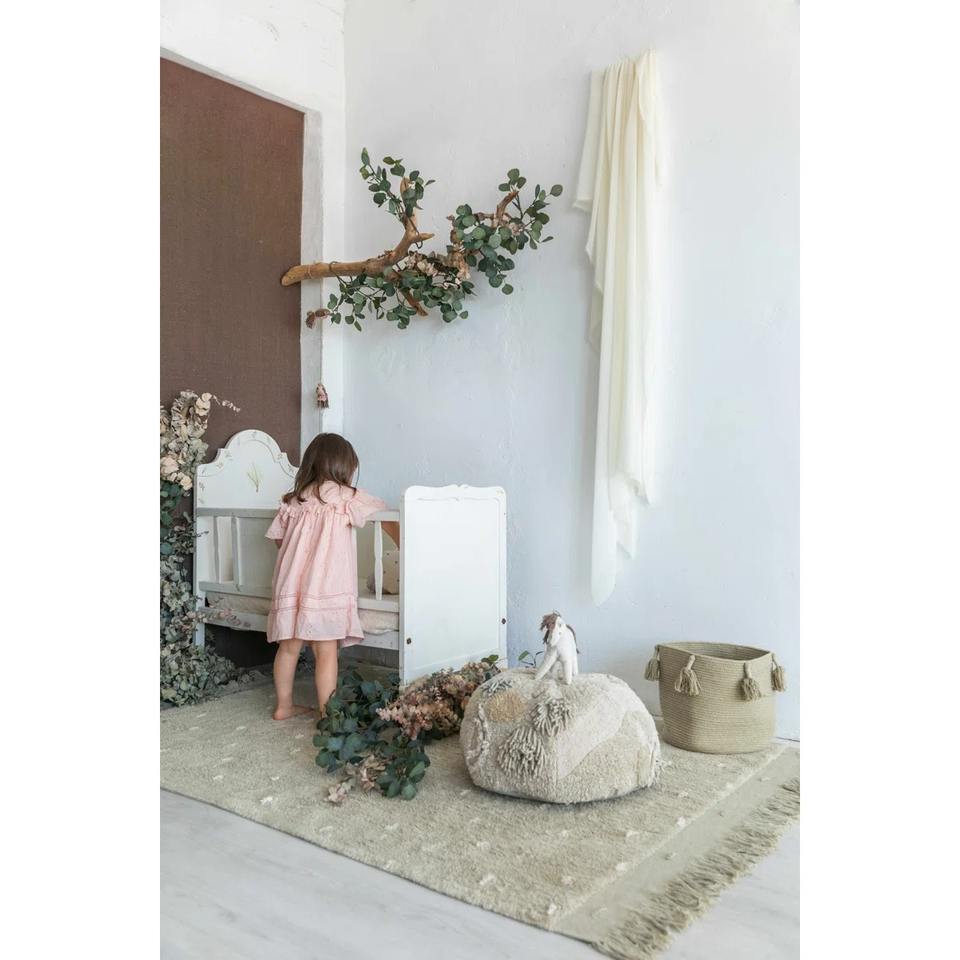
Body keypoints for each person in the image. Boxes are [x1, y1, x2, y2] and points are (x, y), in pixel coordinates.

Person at [265, 433, 398, 719]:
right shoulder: (348, 497)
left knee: (287, 649)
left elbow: (279, 541)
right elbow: (385, 514)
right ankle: (328, 714)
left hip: (291, 585)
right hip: (325, 587)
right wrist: (404, 544)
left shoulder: (294, 500)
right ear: (345, 466)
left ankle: (283, 706)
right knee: (326, 652)